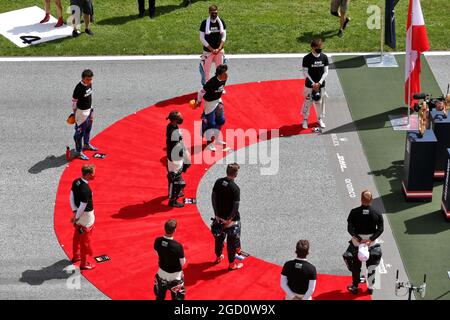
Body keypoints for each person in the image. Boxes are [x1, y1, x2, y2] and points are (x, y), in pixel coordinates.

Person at [344, 190, 384, 295]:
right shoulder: (377, 213)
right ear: (371, 200)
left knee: (356, 266)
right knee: (371, 266)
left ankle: (355, 286)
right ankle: (370, 287)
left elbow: (349, 227)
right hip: (371, 242)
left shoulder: (354, 212)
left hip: (357, 242)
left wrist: (357, 237)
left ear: (361, 199)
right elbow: (380, 229)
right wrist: (370, 239)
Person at [210, 163, 245, 271]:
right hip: (231, 221)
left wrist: (216, 214)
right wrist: (229, 219)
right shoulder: (235, 188)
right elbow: (235, 207)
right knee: (231, 242)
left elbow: (213, 197)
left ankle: (218, 257)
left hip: (218, 218)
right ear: (236, 174)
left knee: (219, 239)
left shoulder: (218, 182)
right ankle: (231, 264)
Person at [194, 64, 228, 151]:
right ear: (219, 75)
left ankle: (216, 139)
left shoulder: (224, 78)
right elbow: (201, 92)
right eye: (225, 73)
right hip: (209, 103)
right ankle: (209, 143)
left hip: (218, 100)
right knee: (211, 124)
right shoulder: (212, 83)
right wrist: (198, 101)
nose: (227, 74)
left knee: (221, 120)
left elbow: (221, 88)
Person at [70, 164, 96, 270]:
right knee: (85, 239)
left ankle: (76, 256)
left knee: (77, 235)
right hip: (86, 216)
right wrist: (76, 216)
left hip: (78, 212)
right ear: (89, 174)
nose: (94, 175)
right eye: (93, 173)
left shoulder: (76, 182)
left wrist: (74, 212)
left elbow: (71, 196)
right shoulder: (86, 189)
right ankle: (84, 263)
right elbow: (83, 204)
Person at [154, 219, 186, 300]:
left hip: (161, 274)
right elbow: (182, 262)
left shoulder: (157, 241)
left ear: (164, 228)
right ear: (175, 230)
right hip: (175, 277)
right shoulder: (178, 246)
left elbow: (157, 253)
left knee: (159, 297)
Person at [301, 39, 329, 130]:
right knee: (307, 102)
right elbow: (305, 72)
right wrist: (313, 84)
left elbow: (326, 71)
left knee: (319, 103)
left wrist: (319, 83)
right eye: (318, 47)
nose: (320, 49)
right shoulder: (306, 58)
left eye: (321, 47)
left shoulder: (324, 57)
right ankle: (305, 120)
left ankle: (319, 119)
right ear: (313, 47)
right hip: (309, 86)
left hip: (321, 86)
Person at [71, 69, 98, 160]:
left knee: (88, 128)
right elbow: (74, 101)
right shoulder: (78, 88)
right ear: (83, 78)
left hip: (89, 109)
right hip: (81, 113)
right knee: (79, 133)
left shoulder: (89, 84)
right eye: (87, 79)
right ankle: (78, 151)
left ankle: (86, 144)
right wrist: (75, 113)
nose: (89, 81)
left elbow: (89, 97)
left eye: (91, 79)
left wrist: (91, 111)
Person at [166, 110, 190, 208]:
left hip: (175, 156)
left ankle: (174, 192)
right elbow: (177, 147)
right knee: (176, 180)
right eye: (179, 117)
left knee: (177, 174)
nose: (181, 118)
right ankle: (172, 200)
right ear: (175, 120)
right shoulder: (173, 133)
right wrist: (185, 155)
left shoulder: (171, 126)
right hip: (175, 158)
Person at [199, 5, 227, 86]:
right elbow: (202, 38)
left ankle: (219, 87)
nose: (214, 15)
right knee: (206, 71)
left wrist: (219, 48)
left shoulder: (221, 22)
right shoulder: (204, 23)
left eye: (215, 13)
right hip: (208, 51)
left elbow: (224, 36)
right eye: (212, 13)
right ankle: (206, 88)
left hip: (219, 51)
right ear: (209, 13)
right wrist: (211, 49)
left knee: (220, 71)